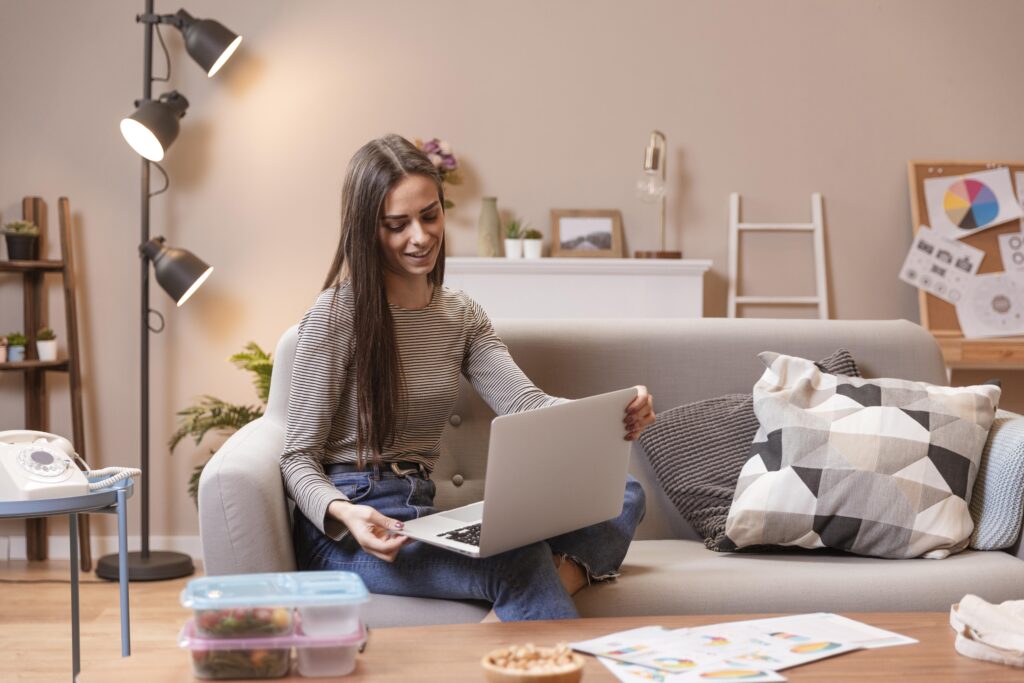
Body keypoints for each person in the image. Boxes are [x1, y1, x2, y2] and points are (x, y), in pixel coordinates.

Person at [281, 134, 655, 621]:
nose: (420, 237)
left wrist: (612, 414)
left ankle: (516, 614)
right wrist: (346, 513)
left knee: (623, 491)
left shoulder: (460, 314)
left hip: (424, 514)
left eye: (430, 216)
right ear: (367, 230)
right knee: (518, 564)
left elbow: (524, 403)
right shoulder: (336, 314)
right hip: (352, 530)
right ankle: (533, 606)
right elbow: (296, 458)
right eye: (397, 225)